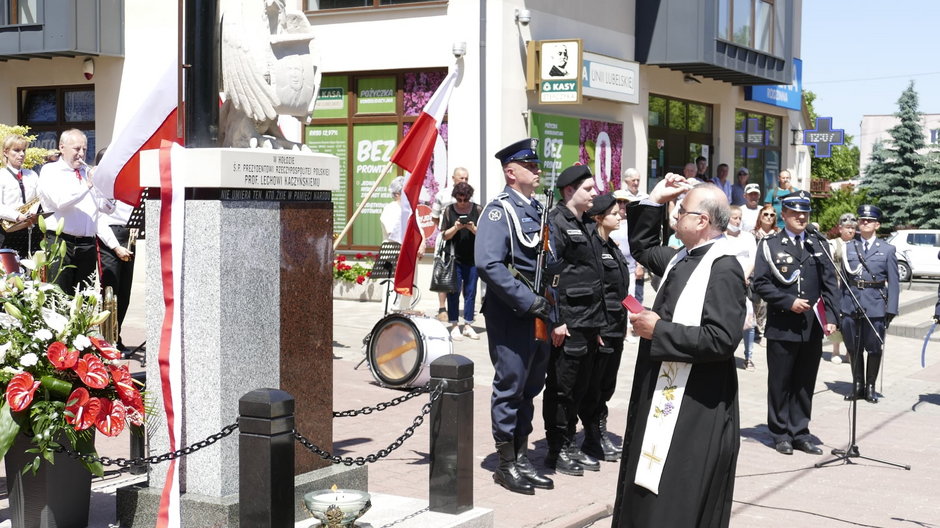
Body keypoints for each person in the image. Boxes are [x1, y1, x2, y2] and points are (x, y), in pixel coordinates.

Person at [612, 175, 745, 527]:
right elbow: (640, 246)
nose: (675, 217)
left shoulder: (723, 267)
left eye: (681, 211)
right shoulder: (679, 257)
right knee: (646, 481)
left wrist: (659, 331)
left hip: (695, 402)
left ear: (702, 221)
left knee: (676, 491)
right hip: (661, 389)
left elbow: (721, 339)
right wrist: (655, 199)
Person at [475, 138, 555, 495]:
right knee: (511, 385)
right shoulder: (498, 211)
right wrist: (527, 300)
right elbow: (489, 263)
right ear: (511, 172)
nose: (537, 170)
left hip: (539, 311)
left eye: (536, 165)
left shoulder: (537, 208)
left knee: (530, 387)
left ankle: (522, 457)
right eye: (530, 165)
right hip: (512, 313)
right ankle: (506, 464)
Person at [752, 190, 840, 456]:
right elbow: (761, 284)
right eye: (795, 212)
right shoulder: (770, 245)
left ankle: (800, 432)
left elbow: (830, 285)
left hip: (811, 326)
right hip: (783, 324)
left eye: (805, 212)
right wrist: (787, 301)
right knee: (780, 381)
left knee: (804, 381)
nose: (801, 217)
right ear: (784, 214)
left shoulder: (818, 243)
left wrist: (833, 318)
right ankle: (780, 433)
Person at [543, 164, 606, 476]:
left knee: (581, 387)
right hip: (568, 320)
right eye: (588, 189)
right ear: (569, 191)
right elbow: (549, 274)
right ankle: (557, 448)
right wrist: (557, 320)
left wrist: (596, 325)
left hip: (588, 321)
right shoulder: (556, 222)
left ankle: (569, 442)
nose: (594, 193)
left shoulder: (586, 224)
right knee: (562, 387)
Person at [580, 193, 631, 462]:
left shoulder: (612, 246)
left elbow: (619, 289)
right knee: (595, 386)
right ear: (599, 217)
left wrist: (637, 310)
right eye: (614, 212)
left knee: (607, 385)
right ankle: (592, 437)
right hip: (602, 327)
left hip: (617, 325)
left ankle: (599, 432)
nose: (620, 214)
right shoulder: (593, 249)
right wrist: (596, 328)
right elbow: (593, 290)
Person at [38, 129, 116, 295]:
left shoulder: (86, 173)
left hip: (87, 245)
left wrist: (108, 189)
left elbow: (107, 208)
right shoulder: (50, 171)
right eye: (76, 149)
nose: (81, 154)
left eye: (85, 150)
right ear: (62, 147)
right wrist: (87, 185)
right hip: (62, 242)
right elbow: (61, 201)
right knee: (59, 296)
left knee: (84, 299)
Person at [839, 205, 899, 403]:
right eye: (862, 220)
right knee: (853, 347)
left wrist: (891, 309)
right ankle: (857, 385)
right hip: (851, 302)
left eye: (869, 220)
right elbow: (843, 279)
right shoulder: (848, 247)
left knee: (873, 347)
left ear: (877, 224)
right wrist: (841, 306)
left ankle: (870, 386)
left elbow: (894, 282)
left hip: (874, 305)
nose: (864, 223)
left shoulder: (887, 249)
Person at [93, 148, 136, 351]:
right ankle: (105, 339)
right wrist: (115, 246)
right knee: (110, 289)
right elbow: (99, 220)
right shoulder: (98, 185)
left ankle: (115, 336)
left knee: (125, 292)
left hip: (128, 235)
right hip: (110, 237)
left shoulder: (125, 181)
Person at [438, 181, 482, 341]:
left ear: (469, 197)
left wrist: (471, 228)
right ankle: (454, 325)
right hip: (454, 257)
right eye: (459, 199)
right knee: (453, 292)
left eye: (465, 200)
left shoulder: (477, 209)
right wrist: (456, 227)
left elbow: (484, 234)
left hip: (472, 258)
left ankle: (468, 324)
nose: (462, 203)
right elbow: (444, 235)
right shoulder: (449, 211)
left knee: (471, 292)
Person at [432, 167, 470, 321]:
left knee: (464, 275)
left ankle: (465, 311)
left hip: (464, 241)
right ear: (453, 178)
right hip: (447, 239)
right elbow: (435, 218)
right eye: (461, 178)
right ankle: (442, 308)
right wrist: (446, 229)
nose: (464, 181)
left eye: (467, 178)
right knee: (444, 273)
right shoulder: (442, 194)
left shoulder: (470, 195)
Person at [726, 206, 758, 370]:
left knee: (749, 321)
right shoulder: (721, 237)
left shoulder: (747, 237)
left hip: (744, 283)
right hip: (726, 284)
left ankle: (749, 356)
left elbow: (753, 259)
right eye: (734, 218)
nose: (737, 221)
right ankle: (726, 353)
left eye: (739, 218)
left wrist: (744, 276)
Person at [1, 134, 42, 257]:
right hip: (8, 231)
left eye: (23, 150)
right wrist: (17, 216)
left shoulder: (32, 174)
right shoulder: (1, 175)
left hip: (31, 229)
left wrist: (34, 212)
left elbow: (40, 198)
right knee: (11, 273)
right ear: (6, 152)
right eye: (17, 150)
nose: (22, 154)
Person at [828, 213, 858, 364]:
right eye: (847, 228)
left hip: (853, 287)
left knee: (851, 319)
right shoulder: (834, 243)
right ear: (840, 229)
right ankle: (835, 350)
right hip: (837, 285)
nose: (850, 231)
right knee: (837, 317)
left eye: (853, 228)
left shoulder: (858, 244)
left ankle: (849, 351)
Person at [751, 204, 779, 346]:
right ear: (760, 216)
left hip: (774, 275)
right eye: (765, 214)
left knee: (768, 304)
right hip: (755, 274)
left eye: (771, 215)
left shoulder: (779, 235)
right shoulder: (752, 234)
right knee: (757, 305)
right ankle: (756, 329)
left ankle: (764, 333)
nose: (768, 217)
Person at [380, 176, 405, 243]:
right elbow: (393, 233)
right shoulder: (390, 209)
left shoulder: (410, 208)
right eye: (405, 192)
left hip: (407, 249)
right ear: (397, 194)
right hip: (392, 250)